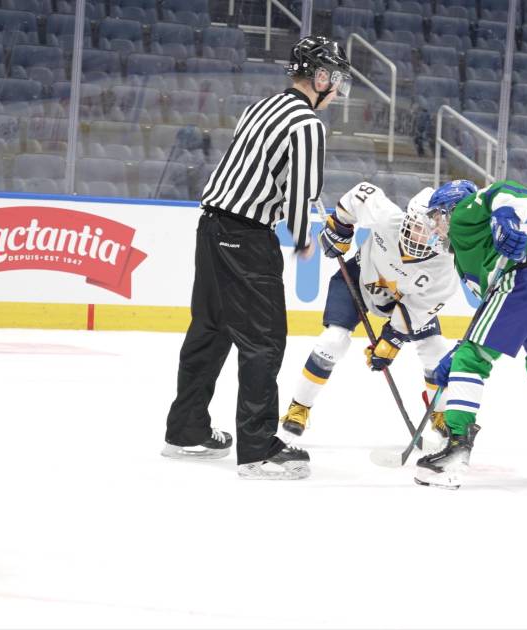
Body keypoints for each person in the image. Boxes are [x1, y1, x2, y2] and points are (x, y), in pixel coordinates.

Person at [162, 35, 351, 480]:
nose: (338, 91)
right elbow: (301, 192)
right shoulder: (306, 124)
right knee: (264, 340)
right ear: (320, 77)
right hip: (246, 237)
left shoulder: (260, 107)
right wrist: (307, 239)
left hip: (211, 227)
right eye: (336, 79)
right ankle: (258, 448)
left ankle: (186, 431)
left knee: (209, 329)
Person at [412, 179, 527, 490]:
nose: (436, 227)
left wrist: (505, 215)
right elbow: (493, 313)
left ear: (450, 211)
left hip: (522, 280)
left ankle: (455, 452)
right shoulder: (466, 252)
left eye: (437, 217)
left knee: (471, 360)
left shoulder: (466, 216)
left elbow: (511, 189)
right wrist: (459, 351)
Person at [280, 182, 457, 445]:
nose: (420, 236)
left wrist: (390, 341)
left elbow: (416, 309)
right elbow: (360, 194)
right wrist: (340, 228)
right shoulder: (389, 219)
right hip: (358, 281)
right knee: (333, 341)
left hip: (400, 306)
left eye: (429, 232)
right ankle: (299, 407)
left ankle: (440, 413)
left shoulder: (445, 266)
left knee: (435, 349)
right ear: (408, 218)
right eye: (417, 226)